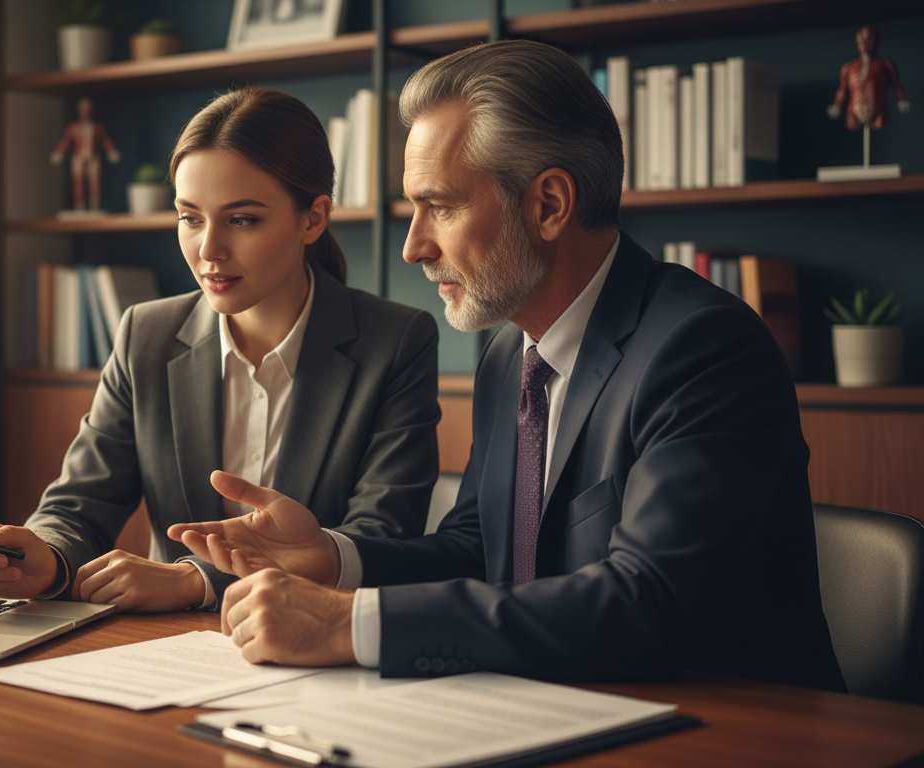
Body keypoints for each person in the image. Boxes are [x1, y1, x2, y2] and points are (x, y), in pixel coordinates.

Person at [171, 40, 846, 692]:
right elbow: (480, 548)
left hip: (730, 732)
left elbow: (647, 604)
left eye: (439, 205)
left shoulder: (704, 349)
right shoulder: (508, 354)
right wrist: (334, 559)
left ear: (548, 204)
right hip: (558, 708)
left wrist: (352, 624)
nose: (412, 246)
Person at [0, 87, 440, 613]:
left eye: (242, 219)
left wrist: (197, 580)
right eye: (190, 218)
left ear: (313, 218)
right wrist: (46, 556)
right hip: (164, 649)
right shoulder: (146, 333)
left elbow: (382, 534)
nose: (209, 250)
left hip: (315, 640)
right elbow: (79, 504)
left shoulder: (396, 341)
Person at [828, 25, 909, 131]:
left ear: (876, 41)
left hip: (878, 108)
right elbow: (842, 89)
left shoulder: (886, 65)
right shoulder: (848, 67)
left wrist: (902, 100)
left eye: (868, 39)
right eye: (861, 40)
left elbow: (896, 84)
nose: (864, 43)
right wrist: (837, 105)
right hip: (854, 109)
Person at [50, 97, 121, 212]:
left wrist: (111, 151)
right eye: (83, 110)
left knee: (94, 182)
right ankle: (80, 206)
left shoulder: (96, 126)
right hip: (79, 156)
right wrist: (59, 152)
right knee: (78, 181)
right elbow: (66, 141)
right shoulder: (74, 127)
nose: (85, 112)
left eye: (87, 110)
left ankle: (94, 206)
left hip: (93, 157)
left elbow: (105, 140)